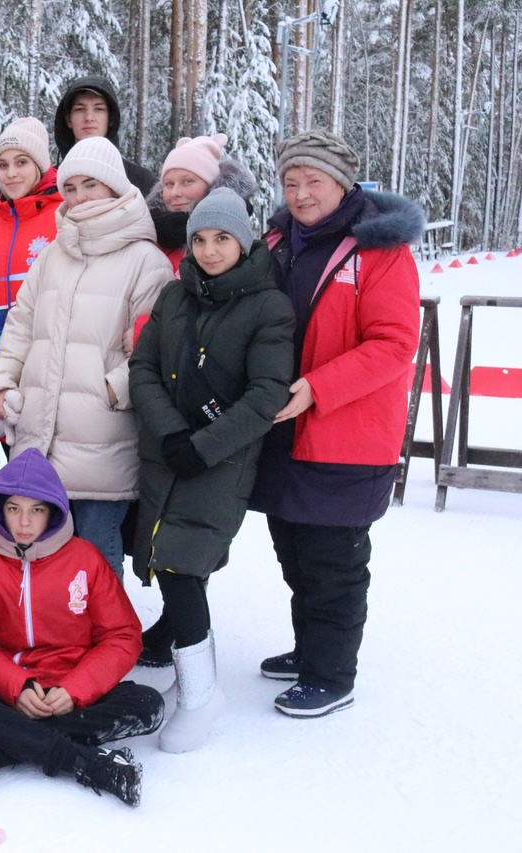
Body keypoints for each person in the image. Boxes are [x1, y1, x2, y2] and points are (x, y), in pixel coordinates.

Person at [249, 130, 422, 717]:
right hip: (280, 427)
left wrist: (317, 388)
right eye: (290, 182)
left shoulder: (379, 250)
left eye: (313, 181)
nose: (300, 193)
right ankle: (309, 650)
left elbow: (395, 342)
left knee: (334, 561)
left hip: (343, 433)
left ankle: (332, 673)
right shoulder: (276, 242)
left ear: (342, 184)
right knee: (293, 549)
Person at [129, 188, 295, 751]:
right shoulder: (175, 297)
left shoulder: (268, 307)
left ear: (242, 241)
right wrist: (171, 432)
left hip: (221, 460)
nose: (209, 249)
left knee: (181, 563)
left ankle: (201, 695)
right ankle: (192, 675)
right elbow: (143, 366)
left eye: (221, 238)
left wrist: (202, 446)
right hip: (166, 451)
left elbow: (266, 393)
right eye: (199, 239)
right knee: (161, 557)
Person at [0, 138, 172, 576]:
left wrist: (111, 391)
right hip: (38, 440)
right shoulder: (53, 255)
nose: (79, 197)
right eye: (70, 187)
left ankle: (107, 643)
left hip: (101, 445)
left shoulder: (146, 260)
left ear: (113, 187)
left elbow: (156, 349)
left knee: (93, 562)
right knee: (39, 561)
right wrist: (4, 386)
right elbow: (20, 327)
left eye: (91, 184)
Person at [0, 448, 163, 806]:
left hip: (73, 689)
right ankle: (82, 761)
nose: (24, 522)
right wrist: (16, 686)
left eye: (36, 510)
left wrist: (74, 690)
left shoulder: (85, 559)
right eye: (14, 509)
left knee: (148, 704)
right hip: (9, 690)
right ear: (0, 509)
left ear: (54, 513)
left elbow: (122, 635)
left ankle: (5, 746)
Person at [0, 117, 62, 366]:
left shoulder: (64, 214)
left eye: (21, 162)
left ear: (40, 166)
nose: (11, 173)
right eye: (2, 165)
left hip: (51, 362)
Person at [146, 133, 258, 274]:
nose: (175, 192)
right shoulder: (146, 234)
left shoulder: (234, 238)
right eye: (169, 184)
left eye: (187, 181)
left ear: (211, 186)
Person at [52, 76, 155, 196]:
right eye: (80, 109)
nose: (89, 118)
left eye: (99, 109)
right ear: (68, 120)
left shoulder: (141, 181)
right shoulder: (50, 182)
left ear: (110, 118)